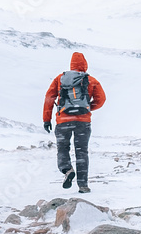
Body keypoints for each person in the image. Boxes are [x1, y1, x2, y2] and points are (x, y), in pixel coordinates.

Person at [42, 52, 106, 193]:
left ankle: (67, 169)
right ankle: (83, 185)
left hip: (63, 121)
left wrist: (46, 119)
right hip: (83, 122)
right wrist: (88, 108)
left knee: (63, 148)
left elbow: (49, 98)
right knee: (81, 152)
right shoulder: (91, 80)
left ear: (71, 64)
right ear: (84, 65)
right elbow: (101, 99)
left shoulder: (60, 79)